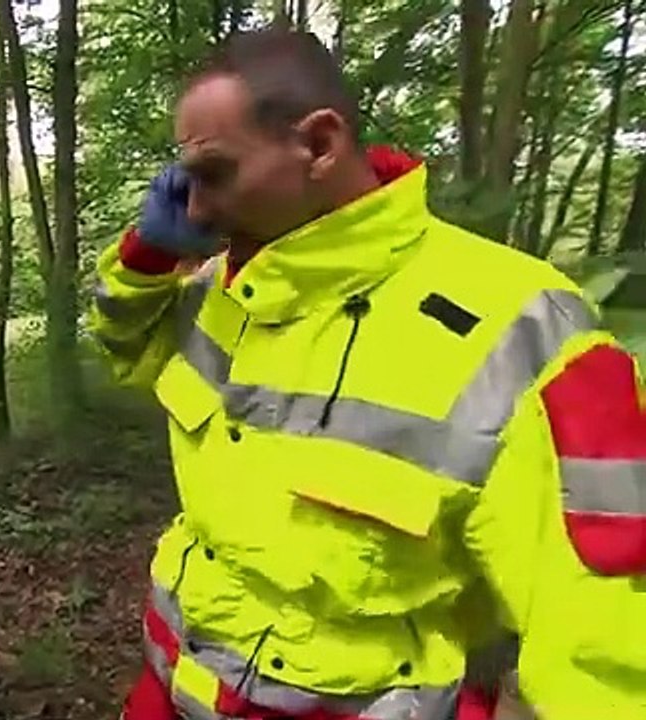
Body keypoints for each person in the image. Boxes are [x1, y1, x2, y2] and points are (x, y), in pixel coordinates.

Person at [90, 27, 646, 720]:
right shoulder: (218, 288)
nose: (196, 209)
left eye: (214, 174)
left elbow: (605, 638)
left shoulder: (523, 331)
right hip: (172, 685)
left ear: (319, 144)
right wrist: (147, 256)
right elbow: (127, 350)